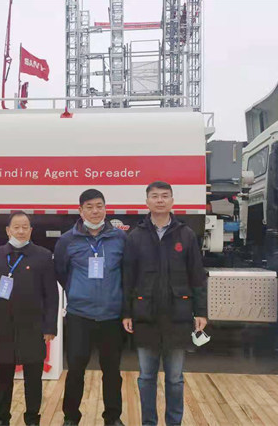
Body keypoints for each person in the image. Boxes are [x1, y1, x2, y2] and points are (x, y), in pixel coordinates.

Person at [122, 181, 207, 426]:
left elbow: (197, 275)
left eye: (164, 196)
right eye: (155, 196)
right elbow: (128, 277)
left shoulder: (186, 234)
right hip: (145, 315)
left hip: (178, 315)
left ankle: (173, 423)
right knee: (146, 377)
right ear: (146, 201)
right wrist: (126, 312)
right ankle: (149, 422)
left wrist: (201, 311)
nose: (160, 200)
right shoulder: (135, 236)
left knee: (175, 379)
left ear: (172, 201)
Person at [0, 211, 59, 426]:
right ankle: (1, 418)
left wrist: (49, 326)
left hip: (33, 327)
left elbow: (51, 295)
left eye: (25, 227)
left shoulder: (43, 255)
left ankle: (32, 418)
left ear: (31, 230)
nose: (21, 231)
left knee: (33, 378)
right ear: (8, 230)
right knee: (3, 376)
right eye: (16, 227)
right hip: (3, 327)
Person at [54, 189, 126, 426]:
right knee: (75, 370)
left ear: (105, 208)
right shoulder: (68, 240)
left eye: (99, 206)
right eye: (89, 207)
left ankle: (112, 417)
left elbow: (127, 272)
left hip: (111, 316)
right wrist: (78, 292)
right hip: (79, 316)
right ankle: (71, 417)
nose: (95, 211)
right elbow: (61, 272)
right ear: (80, 210)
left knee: (112, 371)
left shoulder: (120, 238)